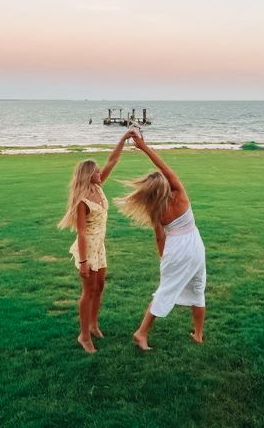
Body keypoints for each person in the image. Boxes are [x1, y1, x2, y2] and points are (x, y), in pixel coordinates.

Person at [115, 132, 206, 350]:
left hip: (175, 248)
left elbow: (159, 236)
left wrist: (164, 257)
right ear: (165, 184)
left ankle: (144, 332)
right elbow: (165, 167)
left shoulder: (155, 208)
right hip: (194, 245)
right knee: (198, 287)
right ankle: (196, 334)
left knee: (166, 289)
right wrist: (144, 147)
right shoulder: (179, 193)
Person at [58, 131, 132, 353]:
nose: (100, 173)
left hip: (100, 246)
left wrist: (124, 138)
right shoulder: (82, 200)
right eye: (96, 171)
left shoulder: (98, 188)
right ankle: (83, 336)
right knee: (88, 291)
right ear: (88, 175)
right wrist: (82, 261)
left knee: (99, 287)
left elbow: (113, 160)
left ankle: (93, 324)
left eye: (99, 171)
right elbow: (80, 232)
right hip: (87, 248)